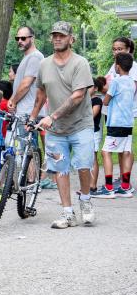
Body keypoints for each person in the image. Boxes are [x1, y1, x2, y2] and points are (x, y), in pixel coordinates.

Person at [30, 21, 95, 228]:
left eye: (62, 35)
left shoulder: (80, 63)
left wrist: (53, 116)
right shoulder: (44, 64)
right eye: (55, 35)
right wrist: (33, 117)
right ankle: (68, 213)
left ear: (71, 39)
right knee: (60, 169)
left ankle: (85, 200)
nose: (57, 38)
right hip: (56, 130)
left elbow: (78, 96)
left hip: (80, 125)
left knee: (84, 166)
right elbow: (40, 93)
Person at [11, 26, 57, 190]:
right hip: (25, 110)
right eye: (18, 38)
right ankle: (33, 180)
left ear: (32, 38)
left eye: (24, 38)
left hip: (29, 111)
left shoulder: (35, 57)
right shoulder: (27, 57)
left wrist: (13, 100)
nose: (20, 41)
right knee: (26, 147)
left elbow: (26, 84)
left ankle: (32, 181)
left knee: (27, 147)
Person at [95, 53, 135, 199]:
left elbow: (106, 101)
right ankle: (125, 187)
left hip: (116, 123)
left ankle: (108, 187)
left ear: (117, 66)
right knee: (125, 153)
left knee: (106, 152)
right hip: (128, 123)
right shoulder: (131, 81)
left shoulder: (116, 82)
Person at [104, 37, 137, 193]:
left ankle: (112, 185)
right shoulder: (119, 71)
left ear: (128, 50)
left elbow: (109, 95)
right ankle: (124, 184)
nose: (116, 52)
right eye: (114, 49)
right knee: (123, 149)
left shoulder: (130, 69)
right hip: (125, 120)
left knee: (110, 151)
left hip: (119, 118)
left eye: (120, 49)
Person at [90, 76, 107, 195]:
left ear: (95, 88)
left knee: (93, 158)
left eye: (89, 86)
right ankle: (87, 185)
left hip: (94, 132)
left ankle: (92, 186)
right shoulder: (83, 99)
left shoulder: (97, 101)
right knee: (86, 159)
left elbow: (91, 116)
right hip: (85, 132)